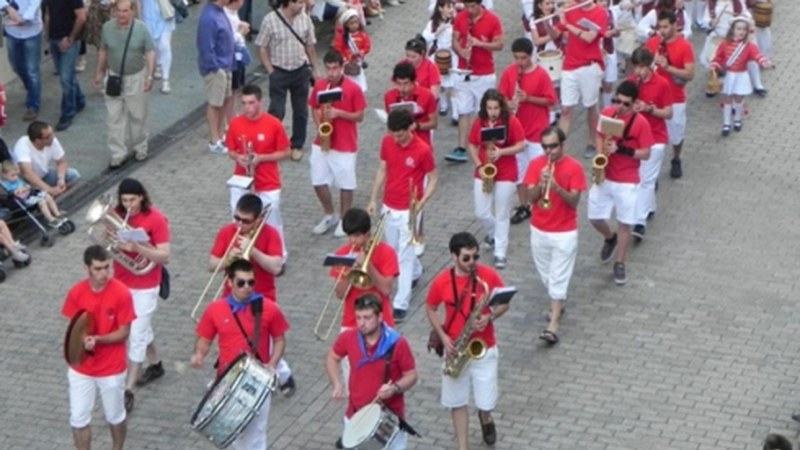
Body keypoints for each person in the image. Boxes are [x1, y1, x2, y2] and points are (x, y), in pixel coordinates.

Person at [192, 259, 290, 450]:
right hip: (226, 380)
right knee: (229, 434)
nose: (247, 287)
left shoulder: (269, 308)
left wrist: (272, 364)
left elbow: (279, 340)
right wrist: (199, 354)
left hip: (258, 381)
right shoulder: (215, 309)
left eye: (251, 282)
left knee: (255, 437)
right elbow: (205, 340)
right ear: (229, 282)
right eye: (241, 282)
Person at [425, 231, 511, 449]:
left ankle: (485, 416)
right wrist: (443, 336)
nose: (472, 262)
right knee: (457, 402)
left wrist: (490, 316)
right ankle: (463, 446)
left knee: (486, 402)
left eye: (475, 256)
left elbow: (505, 302)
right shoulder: (442, 281)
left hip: (484, 346)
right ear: (453, 256)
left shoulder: (487, 276)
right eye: (466, 258)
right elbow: (430, 307)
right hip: (455, 348)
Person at [209, 193, 297, 395]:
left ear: (258, 219)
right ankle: (232, 378)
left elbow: (276, 267)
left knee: (261, 343)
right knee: (234, 340)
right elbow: (211, 264)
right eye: (237, 218)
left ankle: (282, 375)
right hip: (232, 297)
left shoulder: (270, 234)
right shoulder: (227, 232)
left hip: (262, 298)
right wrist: (228, 260)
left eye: (246, 221)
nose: (239, 225)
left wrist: (253, 250)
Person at [62, 245, 136, 450]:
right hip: (81, 368)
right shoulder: (76, 292)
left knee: (115, 416)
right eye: (98, 269)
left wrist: (98, 340)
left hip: (111, 368)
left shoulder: (122, 293)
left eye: (107, 267)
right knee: (78, 418)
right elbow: (74, 328)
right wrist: (82, 341)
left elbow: (124, 332)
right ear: (87, 269)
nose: (104, 274)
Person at [367, 109, 437, 322]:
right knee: (394, 249)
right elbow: (382, 169)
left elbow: (433, 178)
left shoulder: (423, 150)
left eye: (401, 135)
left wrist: (423, 201)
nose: (397, 139)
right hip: (389, 206)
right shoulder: (387, 142)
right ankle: (416, 271)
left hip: (410, 209)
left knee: (403, 255)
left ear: (410, 128)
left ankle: (401, 302)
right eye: (394, 135)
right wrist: (373, 198)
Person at [110, 178, 171, 413]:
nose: (129, 205)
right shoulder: (117, 214)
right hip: (121, 282)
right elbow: (108, 239)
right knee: (141, 327)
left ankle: (128, 389)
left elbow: (165, 256)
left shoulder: (156, 218)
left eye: (133, 200)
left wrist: (137, 248)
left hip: (146, 283)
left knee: (135, 335)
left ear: (142, 197)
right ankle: (155, 364)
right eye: (124, 200)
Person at [326, 294, 417, 450]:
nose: (362, 323)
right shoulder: (348, 337)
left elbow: (412, 375)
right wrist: (336, 383)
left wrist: (394, 388)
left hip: (389, 419)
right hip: (356, 416)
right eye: (358, 318)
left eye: (367, 318)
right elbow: (332, 357)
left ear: (380, 317)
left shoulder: (397, 343)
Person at [523, 126, 586, 344]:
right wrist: (541, 186)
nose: (549, 151)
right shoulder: (535, 165)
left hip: (564, 232)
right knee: (547, 275)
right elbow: (529, 199)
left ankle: (553, 324)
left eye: (553, 146)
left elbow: (574, 202)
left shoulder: (575, 167)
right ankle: (558, 302)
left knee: (558, 277)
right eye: (545, 147)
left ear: (563, 145)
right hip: (539, 229)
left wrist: (557, 188)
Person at [590, 81, 654, 286]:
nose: (620, 106)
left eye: (626, 104)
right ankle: (610, 238)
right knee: (594, 217)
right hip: (605, 175)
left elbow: (646, 153)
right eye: (617, 101)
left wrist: (623, 150)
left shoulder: (641, 123)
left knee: (625, 222)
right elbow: (599, 135)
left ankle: (620, 263)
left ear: (634, 104)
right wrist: (600, 155)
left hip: (627, 179)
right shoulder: (608, 113)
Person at [224, 84, 290, 255]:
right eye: (244, 103)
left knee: (272, 221)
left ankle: (279, 256)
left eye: (251, 103)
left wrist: (261, 158)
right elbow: (230, 150)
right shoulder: (235, 124)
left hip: (268, 182)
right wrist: (238, 157)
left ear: (260, 101)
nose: (247, 107)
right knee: (239, 220)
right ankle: (241, 255)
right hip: (242, 180)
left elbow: (286, 152)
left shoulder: (274, 124)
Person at [497, 37, 557, 227]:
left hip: (537, 133)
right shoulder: (509, 73)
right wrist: (508, 103)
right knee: (520, 173)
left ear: (530, 56)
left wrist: (528, 98)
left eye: (523, 58)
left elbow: (551, 100)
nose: (520, 62)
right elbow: (501, 97)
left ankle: (541, 205)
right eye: (516, 58)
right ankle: (524, 206)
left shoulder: (541, 75)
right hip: (518, 132)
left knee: (540, 172)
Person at [308, 50, 367, 238]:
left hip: (345, 144)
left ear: (342, 67)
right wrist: (320, 125)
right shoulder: (320, 85)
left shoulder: (353, 88)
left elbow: (360, 116)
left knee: (346, 184)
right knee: (317, 180)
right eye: (328, 69)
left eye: (335, 68)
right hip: (322, 141)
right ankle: (329, 215)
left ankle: (344, 219)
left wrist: (339, 113)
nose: (331, 73)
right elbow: (313, 107)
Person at [93, 0, 156, 168]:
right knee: (114, 118)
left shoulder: (141, 29)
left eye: (125, 11)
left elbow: (150, 52)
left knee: (138, 116)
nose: (122, 14)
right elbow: (103, 50)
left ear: (132, 11)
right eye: (119, 11)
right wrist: (99, 72)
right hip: (114, 77)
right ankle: (117, 153)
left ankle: (140, 147)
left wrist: (150, 76)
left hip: (136, 78)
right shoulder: (107, 28)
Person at [256, 0, 320, 162]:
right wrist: (270, 70)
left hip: (300, 69)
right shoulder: (270, 20)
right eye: (299, 2)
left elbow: (310, 45)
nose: (302, 5)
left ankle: (297, 145)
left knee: (301, 110)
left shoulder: (305, 19)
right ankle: (272, 143)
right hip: (279, 71)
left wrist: (314, 68)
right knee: (277, 110)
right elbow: (262, 46)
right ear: (289, 2)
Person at [467, 89, 524, 269]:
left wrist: (502, 152)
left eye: (496, 108)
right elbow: (472, 145)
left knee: (502, 213)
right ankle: (493, 233)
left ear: (502, 107)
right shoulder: (480, 122)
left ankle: (500, 251)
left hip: (506, 171)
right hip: (485, 169)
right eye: (489, 108)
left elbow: (521, 145)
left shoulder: (511, 121)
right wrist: (479, 166)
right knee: (481, 212)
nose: (492, 112)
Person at [446, 0, 504, 163]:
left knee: (485, 112)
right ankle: (461, 148)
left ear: (480, 4)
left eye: (473, 6)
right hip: (463, 72)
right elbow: (455, 40)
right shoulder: (461, 17)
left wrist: (480, 43)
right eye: (467, 6)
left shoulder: (493, 19)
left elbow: (500, 45)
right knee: (463, 111)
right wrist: (461, 51)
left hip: (484, 74)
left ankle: (487, 147)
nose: (469, 10)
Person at [552, 0, 608, 159]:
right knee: (566, 109)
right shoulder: (571, 7)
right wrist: (551, 22)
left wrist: (567, 24)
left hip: (590, 66)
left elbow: (590, 37)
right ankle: (559, 149)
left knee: (591, 106)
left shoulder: (600, 13)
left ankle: (592, 141)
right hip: (570, 65)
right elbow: (555, 35)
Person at [628, 48, 673, 243]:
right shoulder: (631, 82)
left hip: (656, 138)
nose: (638, 72)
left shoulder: (662, 84)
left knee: (645, 181)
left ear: (649, 66)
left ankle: (639, 222)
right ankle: (650, 207)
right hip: (636, 138)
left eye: (641, 67)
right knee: (644, 178)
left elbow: (668, 113)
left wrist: (649, 109)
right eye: (635, 67)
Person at [330, 208, 399, 333]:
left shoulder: (387, 252)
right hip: (351, 323)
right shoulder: (342, 254)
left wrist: (368, 265)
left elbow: (386, 289)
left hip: (381, 323)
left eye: (357, 235)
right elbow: (340, 294)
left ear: (368, 233)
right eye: (350, 235)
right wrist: (352, 270)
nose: (352, 240)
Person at [645, 10, 695, 179]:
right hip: (653, 96)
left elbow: (690, 74)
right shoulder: (653, 43)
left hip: (675, 97)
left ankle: (676, 158)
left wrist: (667, 67)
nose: (662, 30)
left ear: (675, 25)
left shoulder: (685, 46)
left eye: (666, 27)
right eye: (660, 27)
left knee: (676, 134)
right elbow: (642, 66)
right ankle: (652, 170)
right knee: (652, 134)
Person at [710, 17, 771, 137]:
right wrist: (715, 64)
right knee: (727, 98)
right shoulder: (725, 44)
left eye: (744, 29)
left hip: (742, 75)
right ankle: (726, 123)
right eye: (738, 29)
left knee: (739, 99)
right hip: (730, 75)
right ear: (733, 30)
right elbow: (718, 57)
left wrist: (763, 62)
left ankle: (737, 119)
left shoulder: (749, 46)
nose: (741, 31)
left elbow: (757, 55)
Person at [197, 0, 235, 154]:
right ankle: (214, 140)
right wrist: (215, 68)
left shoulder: (219, 12)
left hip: (225, 65)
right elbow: (206, 47)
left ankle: (219, 134)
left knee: (224, 100)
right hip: (216, 68)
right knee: (215, 103)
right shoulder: (209, 17)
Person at [44, 0, 87, 131]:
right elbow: (48, 15)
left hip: (69, 41)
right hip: (54, 39)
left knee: (65, 78)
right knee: (67, 76)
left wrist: (70, 39)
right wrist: (48, 39)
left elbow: (81, 16)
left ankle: (67, 113)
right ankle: (79, 99)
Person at [13, 120, 81, 198]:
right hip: (27, 182)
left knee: (73, 175)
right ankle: (44, 199)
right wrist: (49, 189)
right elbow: (27, 173)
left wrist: (61, 179)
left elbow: (61, 162)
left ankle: (51, 198)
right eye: (48, 137)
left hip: (43, 175)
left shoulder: (52, 141)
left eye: (52, 133)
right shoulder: (22, 145)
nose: (52, 137)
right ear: (38, 141)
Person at [0, 0, 43, 121]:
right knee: (16, 66)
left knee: (32, 71)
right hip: (12, 32)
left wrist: (19, 19)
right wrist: (8, 8)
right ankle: (32, 89)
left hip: (31, 32)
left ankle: (33, 105)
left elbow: (32, 9)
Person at [383, 61, 438, 152]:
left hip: (421, 145)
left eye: (406, 83)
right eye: (398, 83)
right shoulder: (389, 96)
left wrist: (417, 125)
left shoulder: (427, 95)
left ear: (413, 81)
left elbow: (434, 123)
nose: (402, 88)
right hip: (399, 145)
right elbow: (390, 126)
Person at [0, 160, 68, 227]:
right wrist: (20, 190)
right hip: (23, 201)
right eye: (12, 175)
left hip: (30, 195)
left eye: (16, 175)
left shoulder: (18, 180)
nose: (16, 177)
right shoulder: (6, 185)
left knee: (47, 196)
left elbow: (26, 185)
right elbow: (12, 193)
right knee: (42, 202)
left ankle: (57, 213)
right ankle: (51, 219)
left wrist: (26, 187)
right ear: (4, 175)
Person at [421, 0, 456, 117]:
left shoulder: (456, 22)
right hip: (436, 56)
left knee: (453, 84)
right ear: (440, 8)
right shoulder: (433, 23)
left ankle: (456, 111)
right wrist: (438, 31)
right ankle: (443, 104)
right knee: (440, 82)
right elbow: (424, 38)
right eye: (448, 7)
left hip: (453, 56)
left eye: (452, 7)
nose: (451, 10)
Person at [140, 0, 176, 94]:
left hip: (164, 14)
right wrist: (139, 17)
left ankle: (166, 80)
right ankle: (157, 65)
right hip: (147, 16)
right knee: (152, 46)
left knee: (165, 46)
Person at [332, 9, 371, 92]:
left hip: (357, 62)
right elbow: (338, 48)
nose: (354, 25)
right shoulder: (342, 37)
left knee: (359, 80)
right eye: (351, 23)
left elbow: (367, 46)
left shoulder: (363, 35)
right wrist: (345, 57)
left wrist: (362, 52)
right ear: (346, 25)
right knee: (347, 81)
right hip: (346, 63)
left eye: (356, 22)